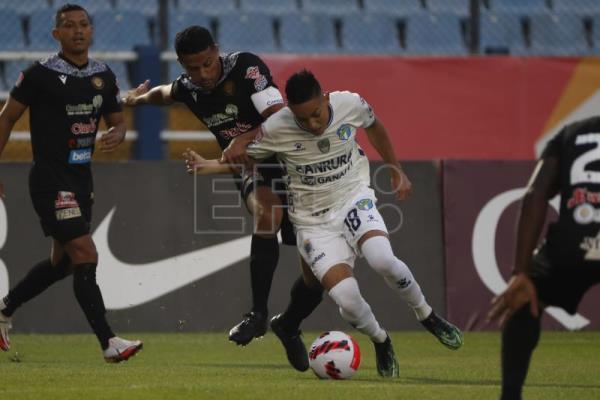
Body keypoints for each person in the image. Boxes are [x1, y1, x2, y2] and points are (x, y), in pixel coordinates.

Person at [185, 70, 464, 377]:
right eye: (303, 119)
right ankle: (381, 340)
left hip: (352, 199)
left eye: (316, 114)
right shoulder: (277, 128)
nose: (313, 124)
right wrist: (208, 166)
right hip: (312, 222)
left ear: (325, 98)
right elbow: (243, 158)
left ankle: (427, 316)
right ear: (291, 112)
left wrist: (395, 168)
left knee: (383, 259)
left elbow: (374, 126)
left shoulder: (350, 103)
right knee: (345, 296)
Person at [122, 26, 323, 347]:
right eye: (192, 68)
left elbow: (278, 116)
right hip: (250, 165)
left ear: (216, 51)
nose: (201, 74)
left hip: (291, 161)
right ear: (181, 65)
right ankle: (257, 315)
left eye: (207, 63)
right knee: (267, 214)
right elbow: (163, 94)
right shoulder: (188, 87)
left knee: (317, 270)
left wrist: (240, 138)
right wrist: (137, 99)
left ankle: (289, 324)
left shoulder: (246, 68)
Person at [0, 4, 142, 362]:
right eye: (68, 26)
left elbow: (117, 120)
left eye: (83, 25)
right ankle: (109, 343)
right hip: (49, 180)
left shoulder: (103, 76)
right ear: (56, 34)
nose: (77, 31)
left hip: (81, 179)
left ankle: (5, 308)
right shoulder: (38, 75)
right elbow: (6, 119)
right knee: (85, 253)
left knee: (63, 263)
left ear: (92, 31)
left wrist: (118, 133)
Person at [488, 116, 600, 399]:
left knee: (527, 297)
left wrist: (521, 273)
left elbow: (535, 194)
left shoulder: (572, 133)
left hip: (572, 245)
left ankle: (510, 395)